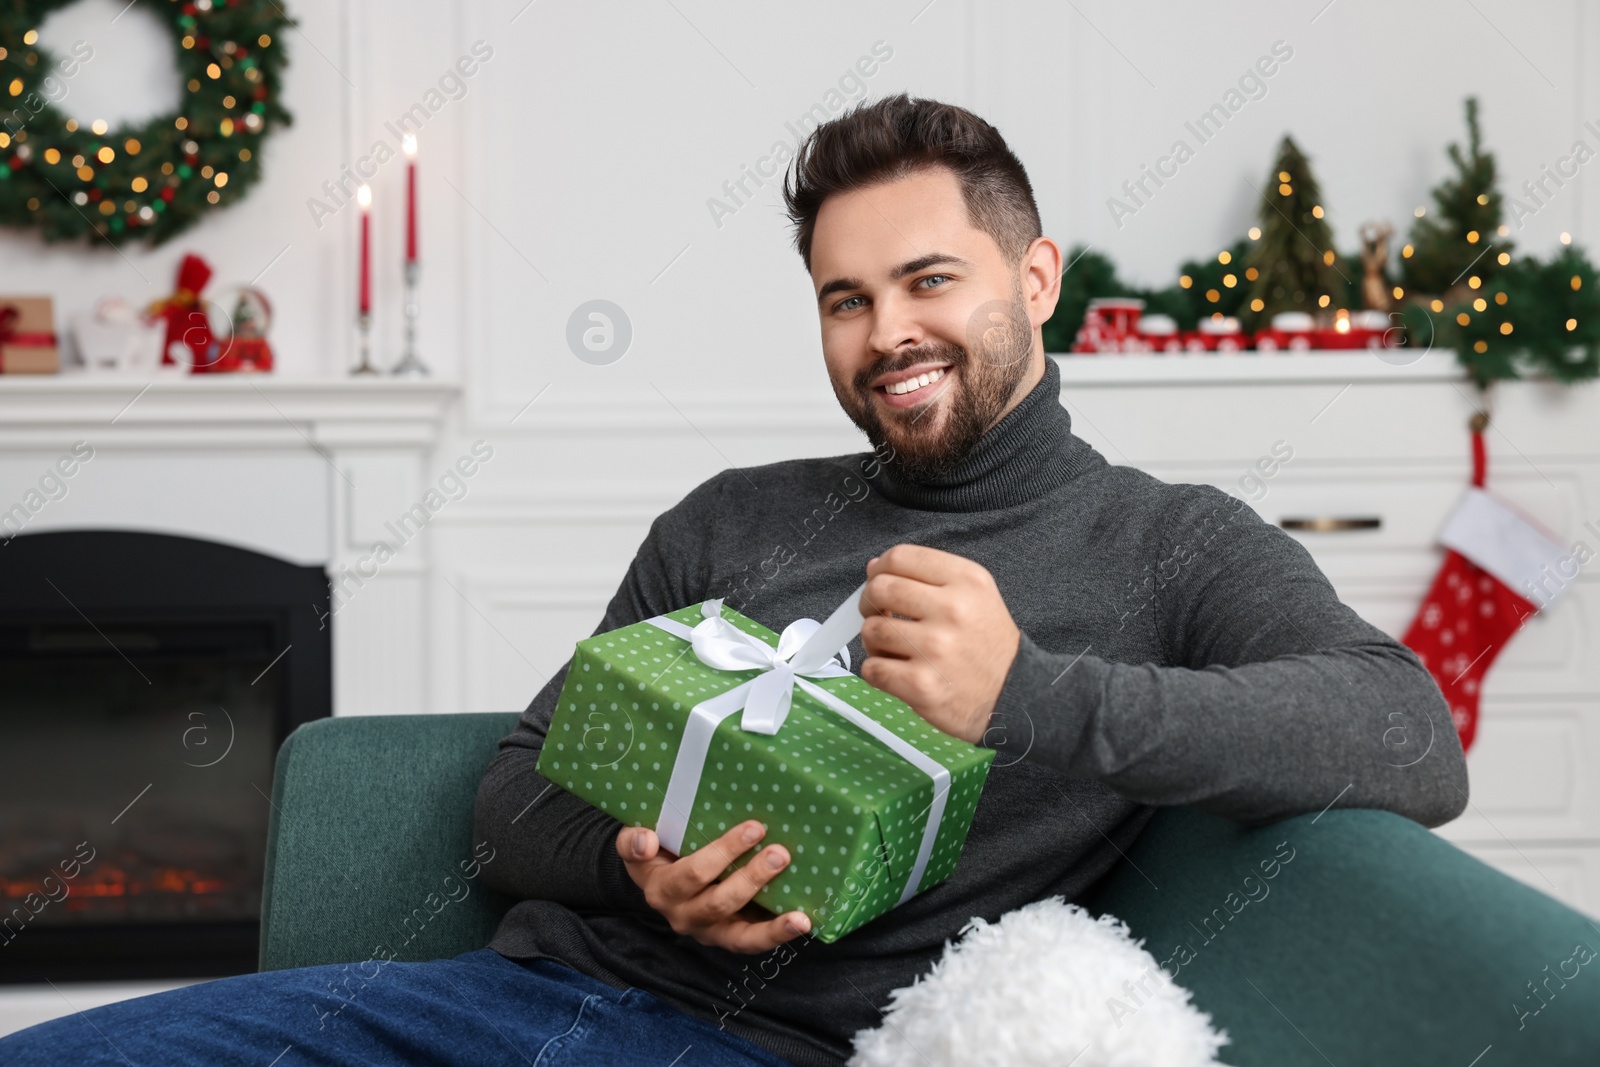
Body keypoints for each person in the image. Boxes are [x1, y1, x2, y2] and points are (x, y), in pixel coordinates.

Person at [0, 93, 1467, 1067]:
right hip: (504, 1005)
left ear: (1035, 281)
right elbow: (517, 792)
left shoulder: (1170, 546)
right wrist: (640, 867)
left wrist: (1032, 695)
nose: (888, 330)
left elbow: (1408, 736)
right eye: (846, 298)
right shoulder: (734, 519)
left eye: (930, 278)